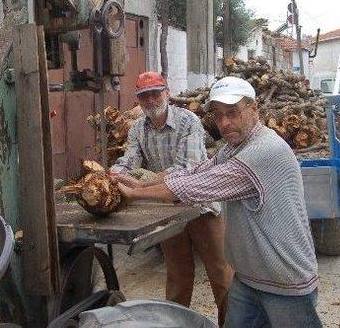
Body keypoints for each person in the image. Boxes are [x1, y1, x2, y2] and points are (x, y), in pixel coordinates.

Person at [116, 76, 322, 328]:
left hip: (284, 281)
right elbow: (198, 171)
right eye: (218, 115)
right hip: (249, 279)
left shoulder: (262, 151)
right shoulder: (232, 147)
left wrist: (135, 194)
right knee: (182, 276)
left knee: (219, 272)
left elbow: (197, 185)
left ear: (254, 109)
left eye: (233, 113)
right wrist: (141, 184)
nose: (224, 123)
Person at [110, 71, 232, 326]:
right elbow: (129, 160)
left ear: (167, 93)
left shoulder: (188, 121)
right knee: (177, 275)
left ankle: (231, 323)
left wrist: (143, 183)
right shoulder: (138, 128)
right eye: (144, 96)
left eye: (156, 93)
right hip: (167, 209)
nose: (151, 100)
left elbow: (187, 168)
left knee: (220, 274)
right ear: (139, 100)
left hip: (200, 206)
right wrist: (113, 175)